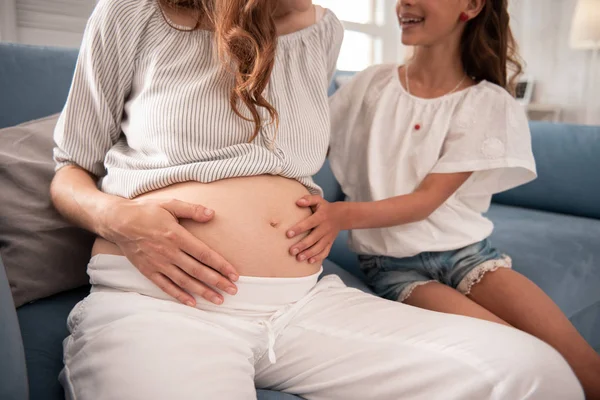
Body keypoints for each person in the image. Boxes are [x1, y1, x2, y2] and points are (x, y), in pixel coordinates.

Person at [51, 0, 584, 398]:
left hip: (304, 303)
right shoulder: (132, 12)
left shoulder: (323, 29)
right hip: (164, 302)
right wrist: (118, 217)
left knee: (536, 374)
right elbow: (68, 170)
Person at [286, 0, 600, 398]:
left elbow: (426, 200)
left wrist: (338, 215)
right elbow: (304, 145)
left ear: (470, 6)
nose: (404, 3)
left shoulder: (486, 102)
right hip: (394, 268)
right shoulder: (369, 86)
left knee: (581, 361)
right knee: (529, 359)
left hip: (470, 256)